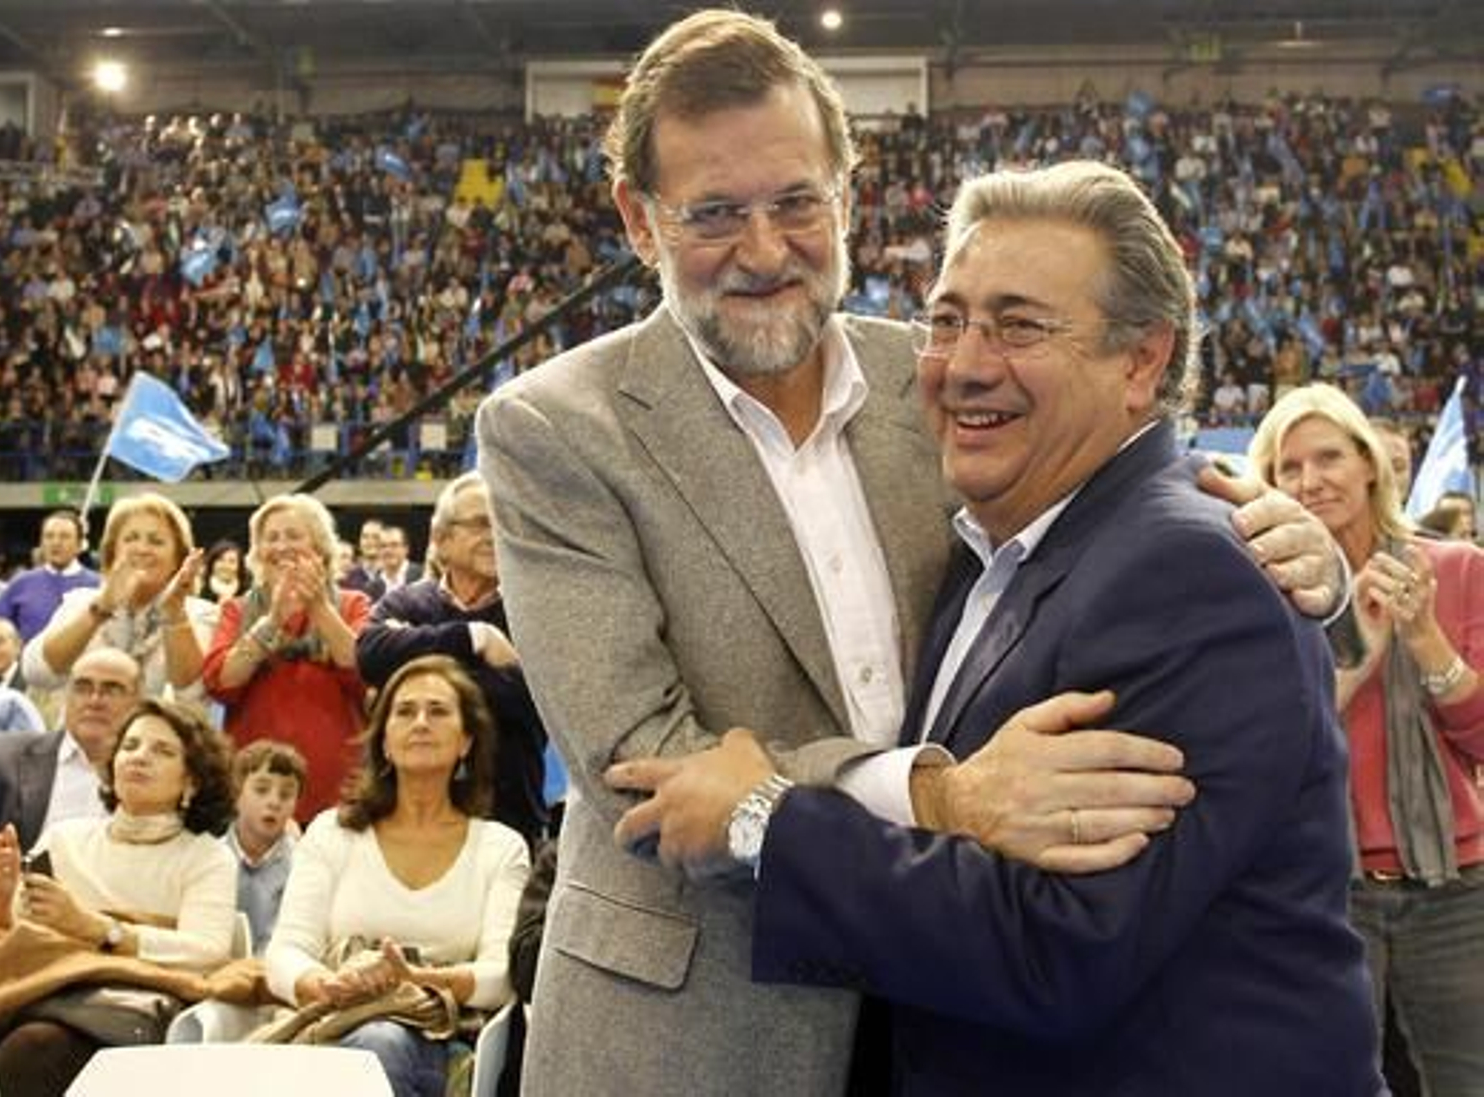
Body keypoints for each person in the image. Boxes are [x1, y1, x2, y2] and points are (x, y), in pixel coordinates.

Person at [475, 11, 1345, 1094]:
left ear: (847, 190)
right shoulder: (555, 428)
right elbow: (646, 770)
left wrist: (1302, 549)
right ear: (639, 221)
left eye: (796, 202)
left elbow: (1119, 501)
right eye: (713, 214)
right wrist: (937, 796)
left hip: (947, 1017)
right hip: (697, 1033)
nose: (762, 249)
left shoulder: (933, 379)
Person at [613, 160, 1382, 1094]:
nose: (966, 363)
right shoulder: (987, 548)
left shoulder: (1189, 572)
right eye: (947, 321)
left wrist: (765, 821)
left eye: (1019, 325)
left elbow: (1057, 944)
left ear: (1142, 361)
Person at [1251, 382, 1484, 1093]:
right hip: (1325, 887)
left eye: (1327, 457)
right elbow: (1271, 749)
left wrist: (1425, 638)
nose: (1310, 480)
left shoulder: (1458, 569)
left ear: (1369, 465)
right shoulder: (1261, 592)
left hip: (1456, 888)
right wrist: (1359, 652)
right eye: (1289, 468)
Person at [266, 655, 530, 1097]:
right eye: (405, 711)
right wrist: (328, 985)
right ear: (384, 741)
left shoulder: (500, 849)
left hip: (438, 1035)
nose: (421, 722)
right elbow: (286, 951)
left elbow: (501, 976)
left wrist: (414, 980)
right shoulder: (333, 832)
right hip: (333, 1020)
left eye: (439, 711)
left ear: (466, 741)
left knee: (378, 1044)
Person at [0, 696, 237, 1097]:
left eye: (162, 750)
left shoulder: (206, 857)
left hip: (127, 1008)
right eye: (130, 746)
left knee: (36, 1046)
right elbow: (10, 941)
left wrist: (97, 928)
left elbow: (209, 951)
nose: (139, 758)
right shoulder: (65, 840)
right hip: (38, 991)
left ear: (192, 781)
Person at [357, 472, 549, 843]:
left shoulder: (535, 611)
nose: (494, 536)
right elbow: (370, 654)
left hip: (508, 817)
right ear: (441, 540)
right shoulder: (405, 601)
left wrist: (413, 668)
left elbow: (534, 698)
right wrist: (474, 637)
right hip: (406, 818)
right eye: (479, 524)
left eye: (502, 524)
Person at [0, 648, 142, 936]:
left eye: (112, 689)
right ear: (66, 696)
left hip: (115, 930)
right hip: (13, 925)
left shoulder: (158, 774)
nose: (94, 700)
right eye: (82, 687)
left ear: (139, 703)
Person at [203, 493, 370, 821]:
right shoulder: (236, 609)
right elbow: (221, 681)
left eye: (294, 536)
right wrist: (272, 620)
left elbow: (364, 670)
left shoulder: (354, 604)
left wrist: (319, 608)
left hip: (337, 790)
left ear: (320, 547)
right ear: (257, 552)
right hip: (254, 790)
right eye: (271, 538)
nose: (281, 547)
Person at [23, 495, 213, 703]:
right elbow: (37, 674)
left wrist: (175, 614)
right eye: (131, 538)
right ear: (112, 551)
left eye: (156, 541)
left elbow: (193, 694)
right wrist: (100, 609)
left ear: (179, 558)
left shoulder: (201, 615)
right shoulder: (80, 602)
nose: (142, 549)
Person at [225, 738, 305, 953]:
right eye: (261, 790)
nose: (274, 802)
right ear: (236, 795)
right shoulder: (210, 856)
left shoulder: (302, 864)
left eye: (286, 794)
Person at [0, 511, 99, 643]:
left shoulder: (97, 585)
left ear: (79, 544)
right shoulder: (20, 584)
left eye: (64, 536)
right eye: (49, 536)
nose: (56, 543)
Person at [200, 539, 248, 605]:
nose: (226, 566)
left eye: (232, 561)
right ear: (212, 563)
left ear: (239, 566)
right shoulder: (200, 590)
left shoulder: (247, 593)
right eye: (220, 560)